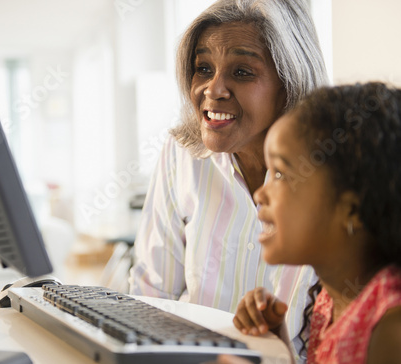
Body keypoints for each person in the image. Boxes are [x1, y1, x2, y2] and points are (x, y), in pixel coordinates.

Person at [128, 0, 328, 359]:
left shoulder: (331, 178)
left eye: (241, 72)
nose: (213, 89)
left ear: (289, 82)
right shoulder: (181, 155)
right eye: (203, 68)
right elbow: (150, 297)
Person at [227, 82, 401, 364]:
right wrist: (276, 337)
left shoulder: (391, 330)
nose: (261, 194)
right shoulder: (329, 302)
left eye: (281, 174)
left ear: (351, 209)